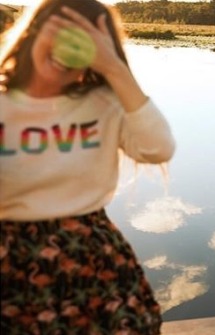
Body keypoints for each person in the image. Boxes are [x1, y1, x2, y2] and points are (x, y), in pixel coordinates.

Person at [0, 0, 175, 334]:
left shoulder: (105, 103)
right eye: (61, 29)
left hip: (91, 256)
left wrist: (115, 69)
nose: (69, 44)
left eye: (86, 38)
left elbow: (158, 148)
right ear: (34, 31)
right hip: (12, 257)